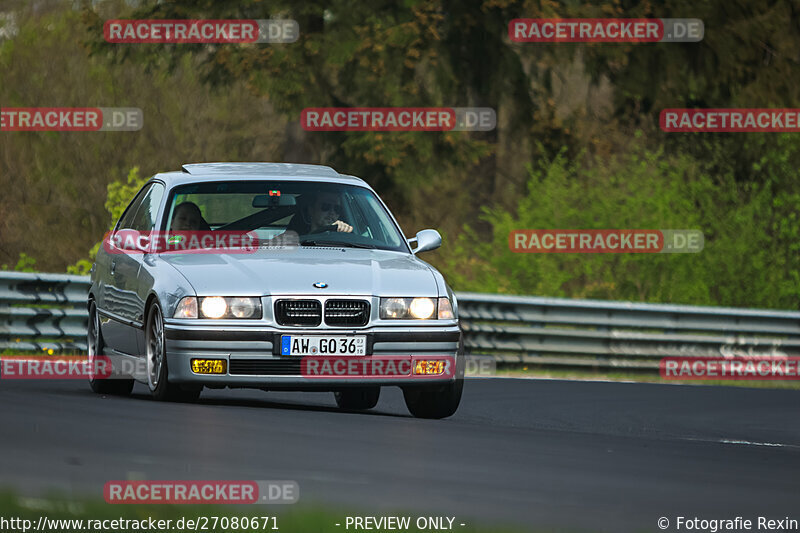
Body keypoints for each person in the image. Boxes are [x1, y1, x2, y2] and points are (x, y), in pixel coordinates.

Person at [285, 191, 353, 234]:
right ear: (311, 209)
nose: (332, 212)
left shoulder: (344, 239)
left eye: (337, 209)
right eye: (326, 206)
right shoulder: (292, 242)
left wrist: (344, 231)